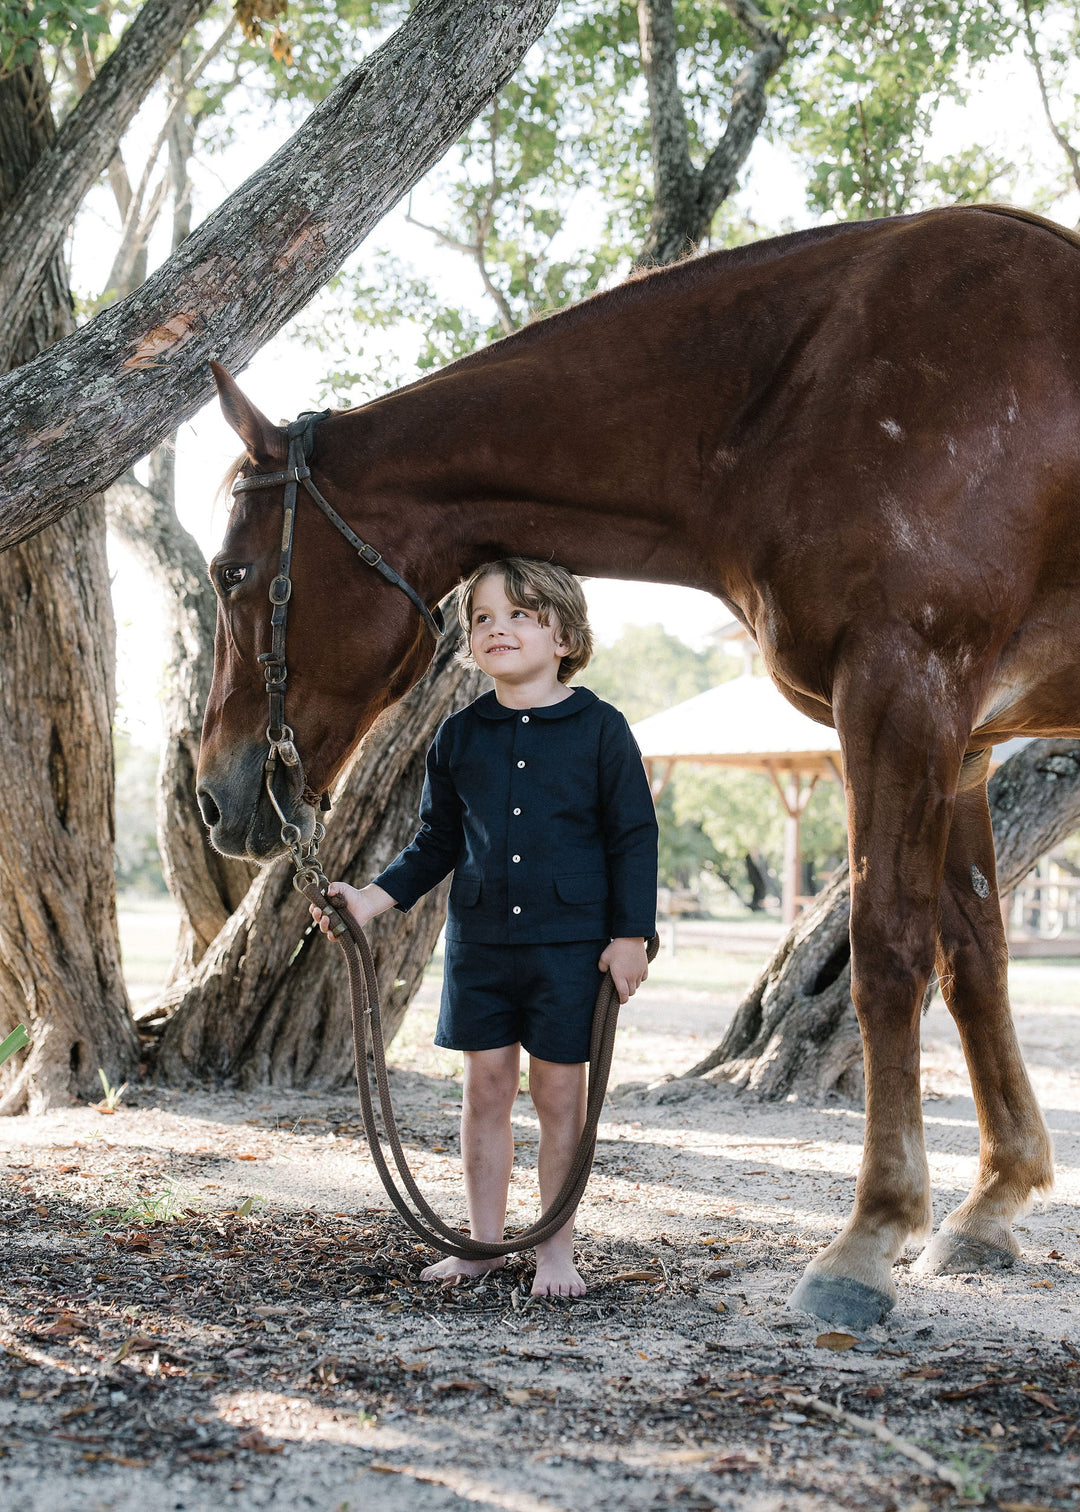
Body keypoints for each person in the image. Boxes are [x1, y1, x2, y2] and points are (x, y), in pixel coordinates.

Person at [310, 556, 658, 1296]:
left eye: (520, 614)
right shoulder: (459, 736)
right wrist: (371, 900)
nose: (498, 629)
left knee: (560, 1097)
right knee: (485, 1092)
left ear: (563, 635)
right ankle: (484, 1244)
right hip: (482, 947)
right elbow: (436, 841)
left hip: (572, 951)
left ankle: (555, 1250)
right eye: (483, 619)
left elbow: (633, 835)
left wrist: (631, 936)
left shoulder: (602, 729)